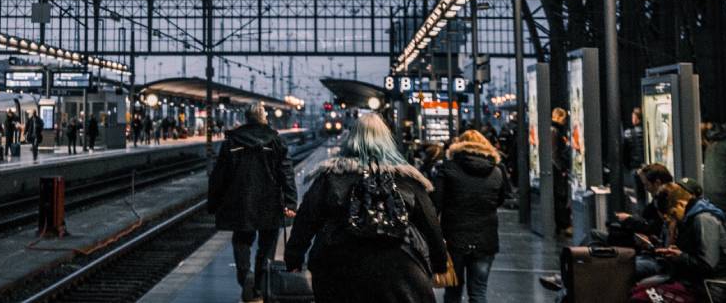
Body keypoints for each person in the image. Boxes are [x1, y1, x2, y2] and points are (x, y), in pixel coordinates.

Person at [285, 113, 447, 303]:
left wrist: (293, 259)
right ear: (388, 140)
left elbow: (306, 220)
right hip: (400, 270)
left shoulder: (330, 177)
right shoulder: (409, 180)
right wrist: (439, 264)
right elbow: (430, 223)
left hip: (337, 269)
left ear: (352, 139)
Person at [207, 103, 297, 301]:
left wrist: (213, 203)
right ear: (263, 117)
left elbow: (219, 176)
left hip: (240, 201)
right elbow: (286, 174)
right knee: (266, 245)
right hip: (270, 201)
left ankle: (244, 277)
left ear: (247, 118)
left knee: (241, 241)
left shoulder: (232, 141)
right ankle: (258, 283)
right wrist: (290, 203)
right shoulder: (275, 140)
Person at [433, 129, 509, 303]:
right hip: (486, 239)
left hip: (454, 238)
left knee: (452, 292)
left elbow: (436, 203)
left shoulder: (447, 168)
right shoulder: (497, 171)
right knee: (479, 292)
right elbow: (500, 200)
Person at [644, 182, 726, 294]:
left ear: (681, 204)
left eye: (673, 214)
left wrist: (680, 256)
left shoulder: (704, 219)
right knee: (640, 291)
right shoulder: (690, 218)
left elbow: (707, 265)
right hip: (693, 282)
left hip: (709, 287)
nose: (673, 219)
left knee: (642, 296)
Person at [551, 107, 573, 235]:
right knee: (560, 196)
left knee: (560, 196)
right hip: (558, 169)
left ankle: (562, 223)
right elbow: (554, 153)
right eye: (564, 118)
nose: (565, 121)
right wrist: (562, 168)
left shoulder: (553, 130)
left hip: (557, 168)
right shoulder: (555, 131)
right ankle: (563, 224)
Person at [622, 107, 645, 174]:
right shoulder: (648, 132)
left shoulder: (628, 133)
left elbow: (624, 153)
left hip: (634, 168)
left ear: (635, 118)